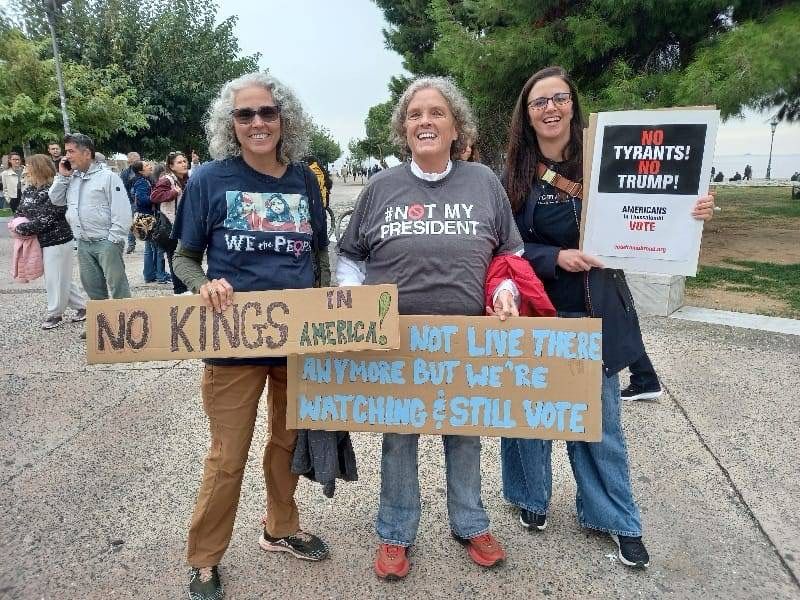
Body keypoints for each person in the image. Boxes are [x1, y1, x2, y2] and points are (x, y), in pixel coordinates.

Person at [500, 66, 715, 569]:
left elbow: (655, 208)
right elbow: (505, 245)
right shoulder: (512, 175)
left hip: (594, 309)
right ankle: (530, 497)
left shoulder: (610, 161)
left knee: (597, 423)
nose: (550, 109)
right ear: (526, 115)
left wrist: (693, 211)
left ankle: (614, 518)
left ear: (573, 104)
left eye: (559, 98)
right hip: (538, 308)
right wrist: (555, 257)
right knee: (529, 414)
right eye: (539, 102)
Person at [337, 76, 523, 580]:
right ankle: (396, 532)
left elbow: (509, 252)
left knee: (465, 433)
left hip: (465, 340)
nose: (425, 121)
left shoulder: (483, 182)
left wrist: (504, 291)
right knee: (399, 438)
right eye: (415, 114)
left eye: (437, 112)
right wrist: (354, 299)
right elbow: (350, 256)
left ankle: (471, 524)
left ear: (456, 127)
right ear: (404, 129)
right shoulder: (381, 187)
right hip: (397, 342)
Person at [171, 71, 331, 600]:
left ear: (285, 119)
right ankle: (204, 558)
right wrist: (203, 283)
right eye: (245, 114)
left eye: (267, 112)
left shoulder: (304, 180)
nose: (257, 122)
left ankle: (280, 528)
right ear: (231, 123)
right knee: (228, 456)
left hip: (296, 343)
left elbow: (319, 251)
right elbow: (183, 257)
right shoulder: (208, 179)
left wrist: (326, 300)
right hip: (233, 343)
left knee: (287, 443)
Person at [49, 132, 132, 321]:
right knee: (93, 288)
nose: (66, 156)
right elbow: (55, 199)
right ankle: (102, 328)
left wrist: (113, 239)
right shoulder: (71, 177)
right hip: (83, 243)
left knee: (118, 287)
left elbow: (122, 210)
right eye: (66, 151)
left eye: (71, 151)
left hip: (106, 241)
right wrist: (62, 177)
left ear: (87, 153)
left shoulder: (108, 177)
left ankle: (126, 325)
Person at [13, 154, 86, 329]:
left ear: (38, 168)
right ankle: (83, 307)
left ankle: (55, 314)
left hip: (58, 241)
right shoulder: (29, 189)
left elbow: (46, 219)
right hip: (39, 241)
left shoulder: (54, 189)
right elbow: (19, 211)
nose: (25, 169)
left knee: (55, 279)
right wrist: (17, 223)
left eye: (29, 166)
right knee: (61, 277)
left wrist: (20, 228)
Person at [150, 151, 190, 294]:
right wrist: (173, 193)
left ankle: (186, 288)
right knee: (175, 258)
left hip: (185, 226)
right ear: (171, 166)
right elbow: (154, 196)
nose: (184, 164)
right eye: (179, 162)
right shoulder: (167, 180)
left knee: (186, 258)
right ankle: (179, 290)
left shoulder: (186, 178)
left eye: (184, 161)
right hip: (170, 226)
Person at [130, 160, 169, 284]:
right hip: (147, 219)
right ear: (141, 171)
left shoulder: (143, 180)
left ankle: (149, 274)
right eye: (146, 165)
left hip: (145, 217)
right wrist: (156, 197)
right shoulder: (142, 182)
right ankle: (160, 275)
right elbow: (142, 199)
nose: (150, 166)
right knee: (157, 248)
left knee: (150, 248)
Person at [119, 151, 142, 254]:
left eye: (137, 160)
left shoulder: (144, 170)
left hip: (144, 200)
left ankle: (149, 241)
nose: (136, 163)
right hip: (132, 202)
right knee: (132, 223)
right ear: (129, 162)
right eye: (134, 161)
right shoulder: (125, 173)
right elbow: (123, 189)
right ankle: (131, 244)